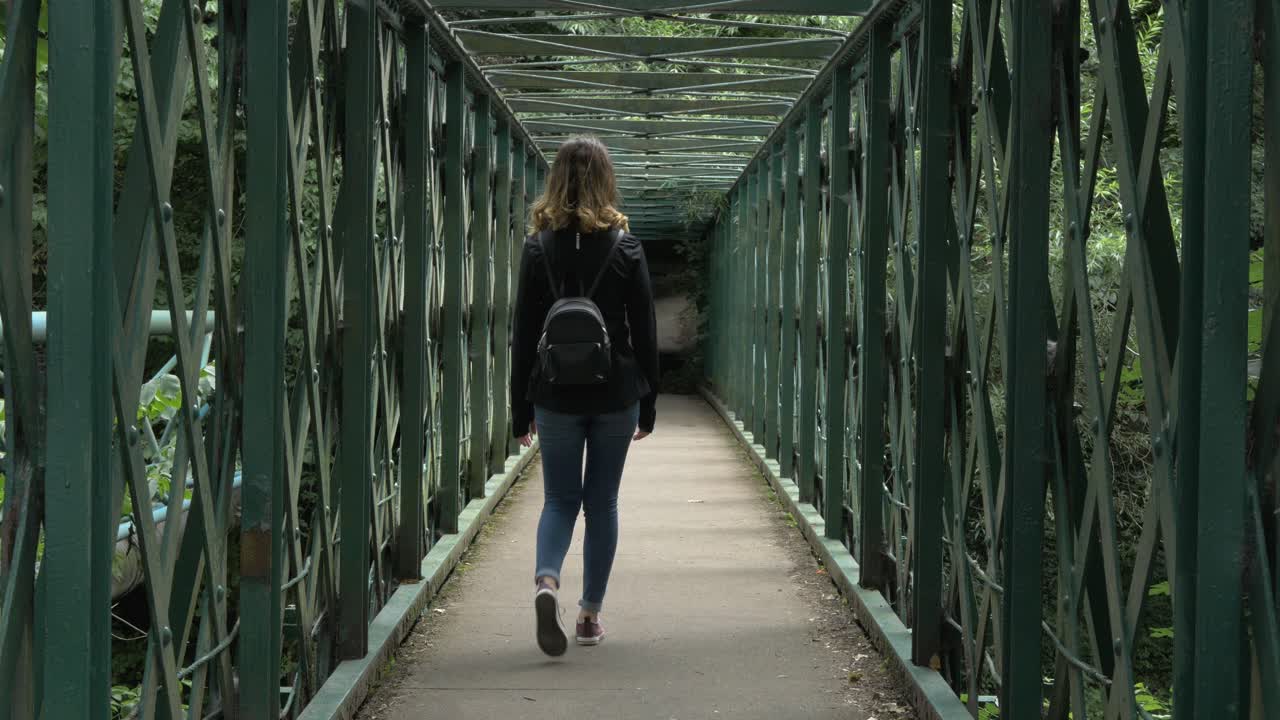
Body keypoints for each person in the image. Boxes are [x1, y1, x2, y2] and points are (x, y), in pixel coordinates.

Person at [510, 136, 659, 657]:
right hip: (615, 393)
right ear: (606, 179)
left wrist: (519, 409)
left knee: (558, 500)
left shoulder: (537, 248)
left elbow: (524, 332)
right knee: (602, 503)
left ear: (556, 179)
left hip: (554, 394)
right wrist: (651, 401)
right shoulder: (626, 247)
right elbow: (644, 328)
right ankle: (590, 616)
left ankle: (547, 582)